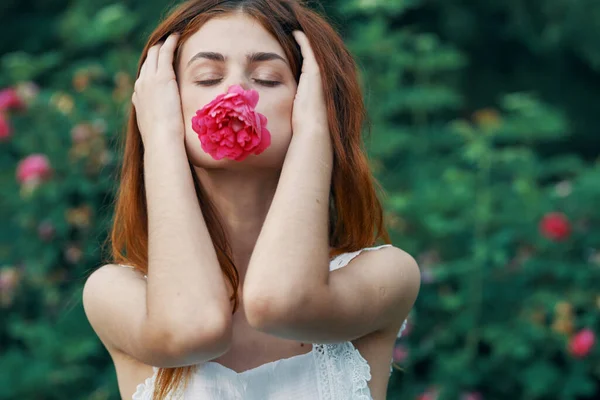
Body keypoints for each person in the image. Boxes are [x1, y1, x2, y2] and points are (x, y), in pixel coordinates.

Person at [82, 0, 421, 399]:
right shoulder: (115, 293)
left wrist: (316, 133)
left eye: (267, 78)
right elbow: (193, 326)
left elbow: (280, 303)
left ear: (311, 102)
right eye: (207, 78)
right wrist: (159, 140)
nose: (236, 91)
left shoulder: (386, 274)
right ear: (163, 103)